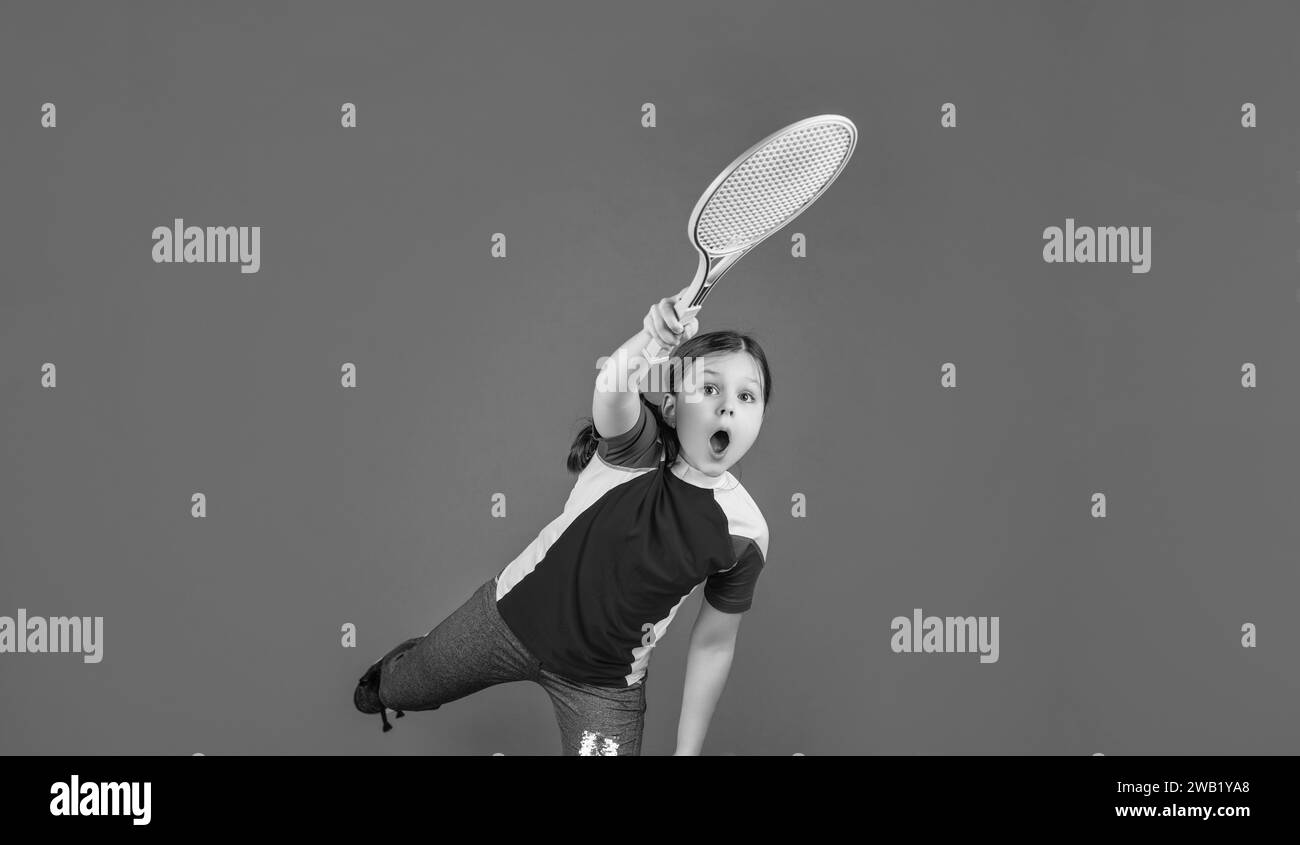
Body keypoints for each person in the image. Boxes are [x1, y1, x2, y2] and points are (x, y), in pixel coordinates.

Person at [353, 290, 772, 755]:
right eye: (709, 388)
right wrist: (652, 339)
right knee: (401, 689)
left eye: (747, 396)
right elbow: (613, 385)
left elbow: (714, 644)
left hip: (602, 688)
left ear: (758, 421)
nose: (727, 406)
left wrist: (687, 752)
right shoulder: (636, 450)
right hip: (506, 622)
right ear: (671, 407)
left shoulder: (745, 533)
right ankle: (393, 674)